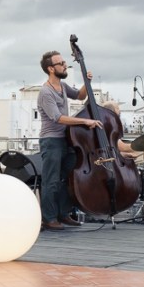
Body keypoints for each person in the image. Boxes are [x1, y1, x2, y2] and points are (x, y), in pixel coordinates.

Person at [37, 51, 102, 230]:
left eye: (64, 62)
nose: (65, 65)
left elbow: (80, 96)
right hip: (51, 141)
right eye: (61, 63)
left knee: (70, 177)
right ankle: (49, 218)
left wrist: (87, 82)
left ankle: (64, 214)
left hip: (67, 139)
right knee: (51, 181)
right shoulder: (45, 92)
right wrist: (84, 121)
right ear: (51, 69)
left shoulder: (63, 86)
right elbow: (57, 117)